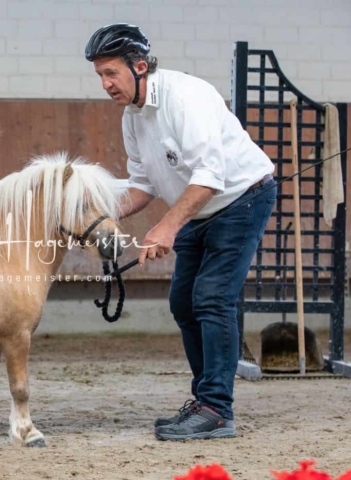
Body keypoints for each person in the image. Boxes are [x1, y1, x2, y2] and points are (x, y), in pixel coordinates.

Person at [85, 23, 277, 441]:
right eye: (100, 75)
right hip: (198, 207)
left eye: (111, 73)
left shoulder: (186, 96)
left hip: (241, 199)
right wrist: (98, 218)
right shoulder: (131, 118)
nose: (105, 84)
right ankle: (205, 401)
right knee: (183, 303)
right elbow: (142, 185)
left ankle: (217, 410)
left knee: (211, 298)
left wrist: (167, 226)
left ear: (139, 66)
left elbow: (211, 175)